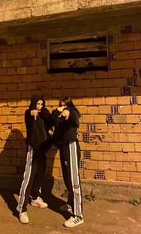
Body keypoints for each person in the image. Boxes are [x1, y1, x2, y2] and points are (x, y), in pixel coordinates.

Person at [17, 96, 53, 224]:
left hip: (42, 151)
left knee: (39, 175)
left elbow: (50, 120)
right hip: (33, 150)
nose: (39, 106)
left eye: (42, 104)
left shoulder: (44, 116)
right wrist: (32, 112)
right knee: (28, 179)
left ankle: (35, 198)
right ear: (33, 104)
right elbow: (29, 113)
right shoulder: (30, 114)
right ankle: (21, 209)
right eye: (37, 103)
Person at [52, 97, 84, 228]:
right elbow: (54, 120)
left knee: (73, 181)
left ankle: (78, 215)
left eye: (64, 105)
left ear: (69, 105)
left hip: (71, 147)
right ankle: (71, 204)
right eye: (60, 105)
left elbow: (74, 118)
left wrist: (67, 111)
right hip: (64, 148)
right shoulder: (60, 118)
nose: (62, 108)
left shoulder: (73, 112)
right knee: (67, 178)